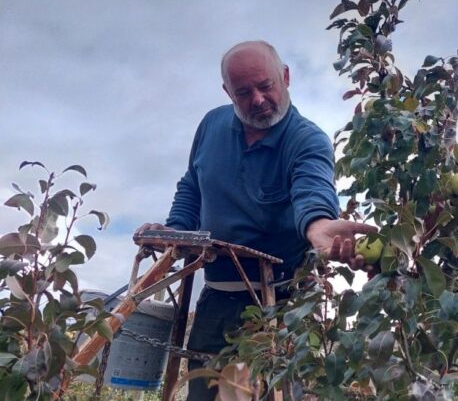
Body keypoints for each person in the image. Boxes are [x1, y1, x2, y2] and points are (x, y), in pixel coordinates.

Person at [136, 40, 375, 400]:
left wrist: (318, 226)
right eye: (244, 92)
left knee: (273, 392)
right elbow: (193, 185)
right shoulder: (211, 125)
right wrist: (175, 231)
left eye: (266, 87)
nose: (259, 100)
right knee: (203, 391)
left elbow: (311, 194)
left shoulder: (306, 140)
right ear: (227, 92)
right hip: (216, 297)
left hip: (280, 304)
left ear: (286, 77)